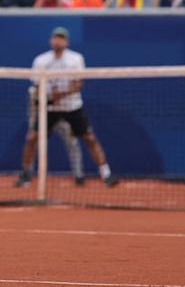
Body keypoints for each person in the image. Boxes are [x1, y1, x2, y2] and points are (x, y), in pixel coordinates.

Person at [16, 27, 118, 188]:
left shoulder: (76, 59)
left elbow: (78, 84)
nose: (58, 41)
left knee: (89, 138)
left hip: (72, 107)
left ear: (67, 42)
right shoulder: (40, 60)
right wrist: (46, 98)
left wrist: (59, 95)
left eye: (62, 38)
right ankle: (26, 174)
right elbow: (36, 85)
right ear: (51, 40)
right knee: (31, 138)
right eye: (56, 38)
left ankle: (106, 174)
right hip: (48, 110)